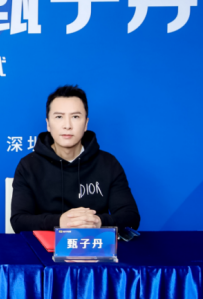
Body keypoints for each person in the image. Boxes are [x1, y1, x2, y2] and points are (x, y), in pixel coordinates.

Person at [10, 85, 140, 236]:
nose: (67, 126)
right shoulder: (28, 165)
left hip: (95, 246)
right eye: (59, 117)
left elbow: (131, 217)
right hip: (44, 248)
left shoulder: (108, 163)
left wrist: (98, 222)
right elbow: (19, 221)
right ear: (48, 124)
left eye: (75, 117)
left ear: (86, 124)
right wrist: (60, 222)